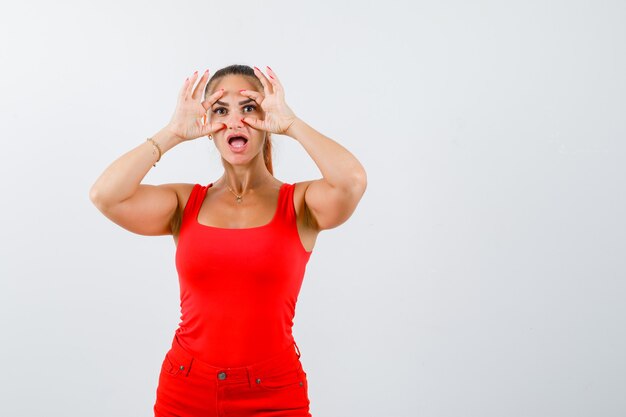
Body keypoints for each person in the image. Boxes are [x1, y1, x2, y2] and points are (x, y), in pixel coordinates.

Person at [89, 64, 367, 417]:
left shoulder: (301, 204)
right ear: (207, 126)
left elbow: (352, 181)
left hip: (275, 394)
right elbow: (105, 196)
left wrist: (292, 124)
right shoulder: (183, 203)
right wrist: (172, 132)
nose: (235, 121)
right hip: (186, 389)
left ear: (267, 118)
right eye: (221, 110)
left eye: (249, 108)